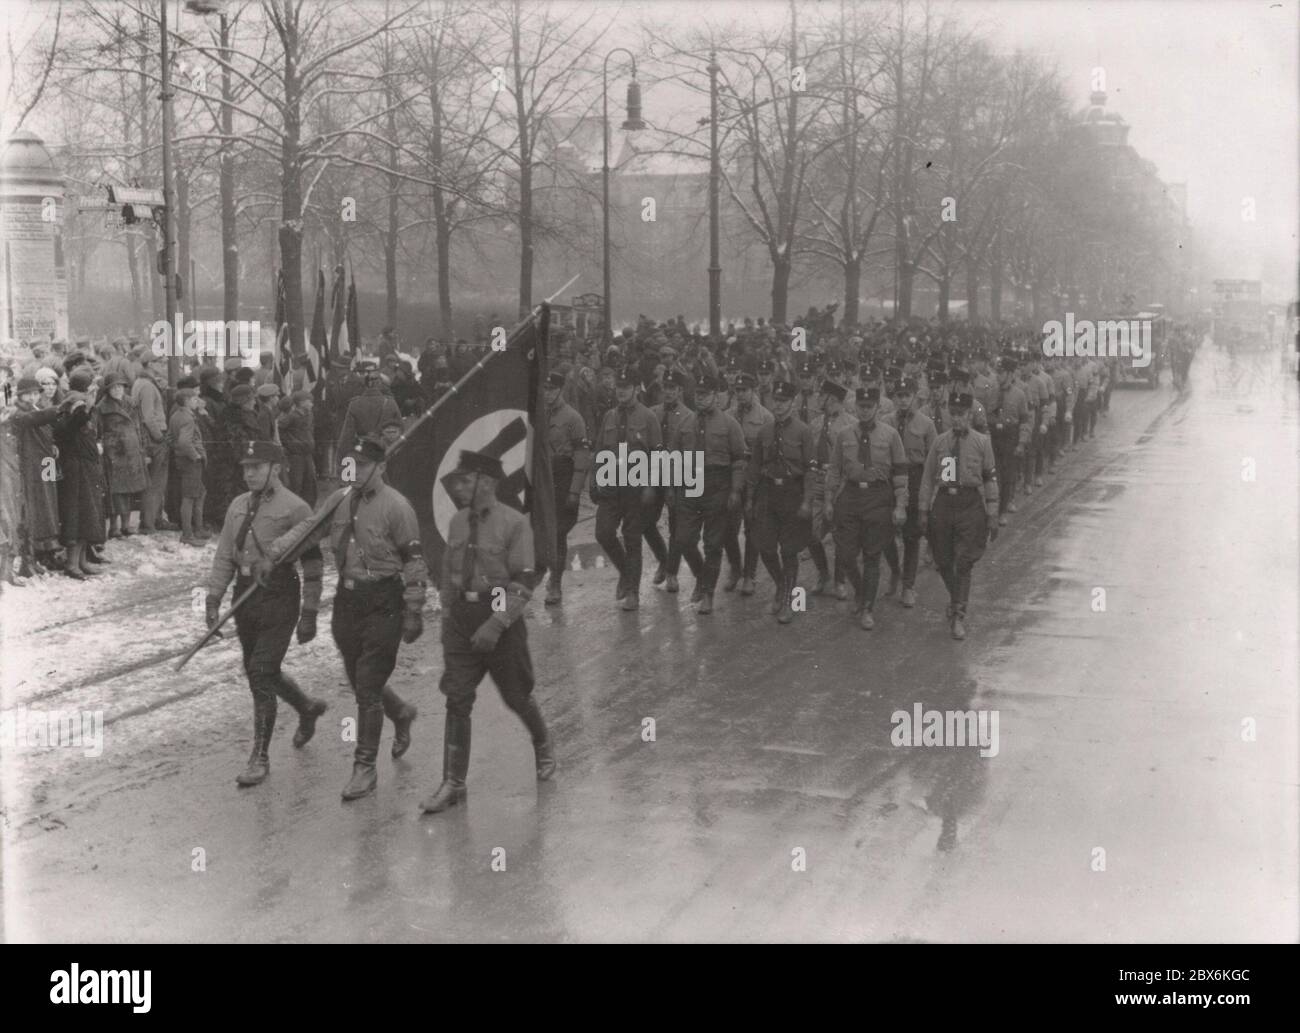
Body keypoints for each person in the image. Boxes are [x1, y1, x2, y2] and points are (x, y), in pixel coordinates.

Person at [264, 436, 424, 800]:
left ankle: (364, 768)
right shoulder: (338, 500)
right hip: (348, 602)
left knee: (367, 685)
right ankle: (399, 712)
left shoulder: (397, 507)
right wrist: (271, 554)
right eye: (349, 465)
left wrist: (413, 609)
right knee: (358, 678)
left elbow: (414, 562)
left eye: (362, 465)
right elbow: (304, 534)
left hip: (385, 601)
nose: (353, 471)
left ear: (381, 467)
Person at [421, 449, 554, 815]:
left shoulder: (514, 523)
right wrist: (449, 614)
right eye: (459, 480)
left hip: (498, 614)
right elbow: (449, 569)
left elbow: (523, 582)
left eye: (466, 480)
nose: (459, 486)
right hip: (462, 617)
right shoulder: (458, 522)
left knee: (516, 695)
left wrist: (495, 624)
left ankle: (542, 742)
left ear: (488, 483)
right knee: (457, 698)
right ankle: (453, 782)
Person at [207, 440, 330, 788]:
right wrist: (213, 599)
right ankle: (306, 707)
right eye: (245, 467)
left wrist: (309, 612)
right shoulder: (237, 506)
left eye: (256, 467)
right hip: (245, 598)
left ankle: (259, 756)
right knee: (258, 671)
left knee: (261, 670)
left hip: (279, 596)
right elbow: (224, 557)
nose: (249, 474)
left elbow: (314, 563)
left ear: (276, 468)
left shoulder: (296, 508)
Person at [824, 386, 907, 630]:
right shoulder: (844, 435)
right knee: (846, 554)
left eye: (869, 407)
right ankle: (860, 591)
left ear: (877, 408)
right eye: (861, 407)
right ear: (855, 407)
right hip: (850, 496)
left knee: (872, 555)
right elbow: (835, 469)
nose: (864, 411)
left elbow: (900, 475)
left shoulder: (891, 436)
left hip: (878, 496)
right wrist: (829, 500)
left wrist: (900, 505)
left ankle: (868, 607)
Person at [919, 391, 1000, 640]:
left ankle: (958, 615)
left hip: (969, 504)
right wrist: (923, 510)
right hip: (945, 503)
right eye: (952, 414)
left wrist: (992, 513)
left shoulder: (982, 442)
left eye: (961, 414)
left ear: (969, 415)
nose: (956, 419)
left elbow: (989, 478)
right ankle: (956, 600)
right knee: (943, 560)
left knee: (963, 561)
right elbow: (928, 479)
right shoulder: (941, 443)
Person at [674, 374, 746, 614]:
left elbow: (738, 460)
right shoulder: (684, 423)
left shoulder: (729, 424)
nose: (701, 399)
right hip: (690, 485)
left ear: (716, 396)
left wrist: (735, 489)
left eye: (705, 395)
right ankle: (702, 577)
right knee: (684, 540)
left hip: (718, 486)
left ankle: (707, 594)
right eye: (697, 395)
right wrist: (672, 490)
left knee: (713, 544)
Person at [590, 368, 661, 611]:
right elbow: (599, 451)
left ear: (636, 389)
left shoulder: (648, 417)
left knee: (633, 539)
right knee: (603, 533)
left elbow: (658, 455)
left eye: (626, 386)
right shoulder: (609, 416)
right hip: (611, 485)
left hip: (636, 487)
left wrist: (651, 485)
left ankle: (633, 592)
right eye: (618, 386)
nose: (621, 390)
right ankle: (626, 573)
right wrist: (594, 481)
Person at [746, 379, 814, 624]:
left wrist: (807, 501)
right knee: (764, 546)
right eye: (776, 400)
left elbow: (809, 470)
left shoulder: (804, 432)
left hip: (792, 493)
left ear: (793, 403)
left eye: (784, 401)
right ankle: (782, 585)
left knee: (788, 550)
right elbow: (754, 468)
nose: (779, 405)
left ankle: (788, 600)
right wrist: (750, 499)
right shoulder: (763, 432)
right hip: (767, 493)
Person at [881, 377, 936, 608]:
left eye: (907, 395)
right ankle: (895, 569)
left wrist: (937, 488)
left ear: (914, 396)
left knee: (912, 536)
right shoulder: (884, 422)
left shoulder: (926, 424)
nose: (902, 400)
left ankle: (908, 586)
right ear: (894, 397)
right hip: (888, 479)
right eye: (899, 395)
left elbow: (935, 459)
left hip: (915, 478)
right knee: (884, 533)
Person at [542, 370, 591, 605]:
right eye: (545, 389)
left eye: (552, 389)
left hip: (564, 478)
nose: (548, 393)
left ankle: (555, 583)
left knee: (558, 533)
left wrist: (574, 490)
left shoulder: (573, 418)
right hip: (543, 479)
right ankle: (544, 575)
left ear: (560, 390)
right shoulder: (537, 414)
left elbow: (582, 455)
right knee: (543, 532)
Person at [53, 369, 107, 579]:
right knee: (77, 514)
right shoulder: (74, 405)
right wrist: (86, 406)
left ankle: (82, 560)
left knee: (88, 513)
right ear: (86, 387)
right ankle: (72, 563)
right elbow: (69, 428)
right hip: (76, 468)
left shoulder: (83, 404)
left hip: (86, 466)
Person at [94, 371, 147, 537]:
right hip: (114, 453)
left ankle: (126, 525)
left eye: (120, 386)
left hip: (131, 452)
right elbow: (98, 431)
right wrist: (107, 446)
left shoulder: (131, 403)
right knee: (114, 492)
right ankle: (114, 527)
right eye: (113, 387)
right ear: (107, 390)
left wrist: (142, 448)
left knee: (129, 490)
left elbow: (140, 427)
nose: (117, 390)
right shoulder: (102, 408)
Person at [131, 353, 172, 533]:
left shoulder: (141, 383)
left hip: (146, 436)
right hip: (154, 437)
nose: (163, 366)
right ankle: (149, 523)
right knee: (156, 482)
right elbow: (148, 416)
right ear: (150, 364)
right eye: (159, 362)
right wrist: (159, 437)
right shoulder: (147, 386)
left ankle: (153, 519)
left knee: (154, 482)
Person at [336, 358, 400, 458]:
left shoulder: (355, 404)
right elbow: (401, 431)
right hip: (386, 453)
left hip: (363, 453)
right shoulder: (391, 403)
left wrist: (341, 459)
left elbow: (346, 438)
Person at [169, 388, 209, 546]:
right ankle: (188, 534)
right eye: (194, 399)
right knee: (189, 497)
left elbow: (172, 439)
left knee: (199, 493)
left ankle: (198, 529)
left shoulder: (176, 415)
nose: (196, 401)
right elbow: (184, 442)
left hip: (182, 459)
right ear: (186, 401)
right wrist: (196, 456)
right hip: (190, 461)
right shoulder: (188, 419)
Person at [278, 389, 317, 506]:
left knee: (310, 481)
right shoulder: (292, 416)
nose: (312, 404)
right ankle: (292, 507)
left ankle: (308, 507)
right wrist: (290, 444)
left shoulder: (309, 415)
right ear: (300, 403)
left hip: (307, 453)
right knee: (296, 483)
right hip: (296, 456)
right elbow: (279, 429)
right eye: (309, 402)